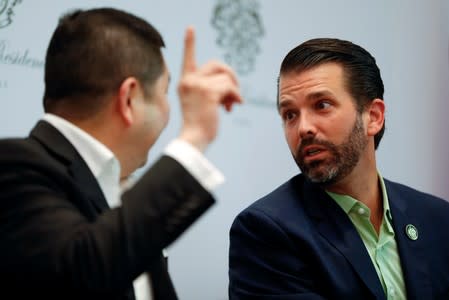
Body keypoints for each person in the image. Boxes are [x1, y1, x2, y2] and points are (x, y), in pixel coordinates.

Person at [0, 7, 242, 300]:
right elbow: (83, 271)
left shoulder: (123, 191)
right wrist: (194, 137)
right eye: (165, 92)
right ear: (129, 99)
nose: (169, 110)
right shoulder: (12, 166)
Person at [228, 38, 449, 299]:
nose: (303, 128)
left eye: (321, 105)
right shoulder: (266, 232)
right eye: (290, 114)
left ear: (373, 117)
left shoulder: (438, 219)